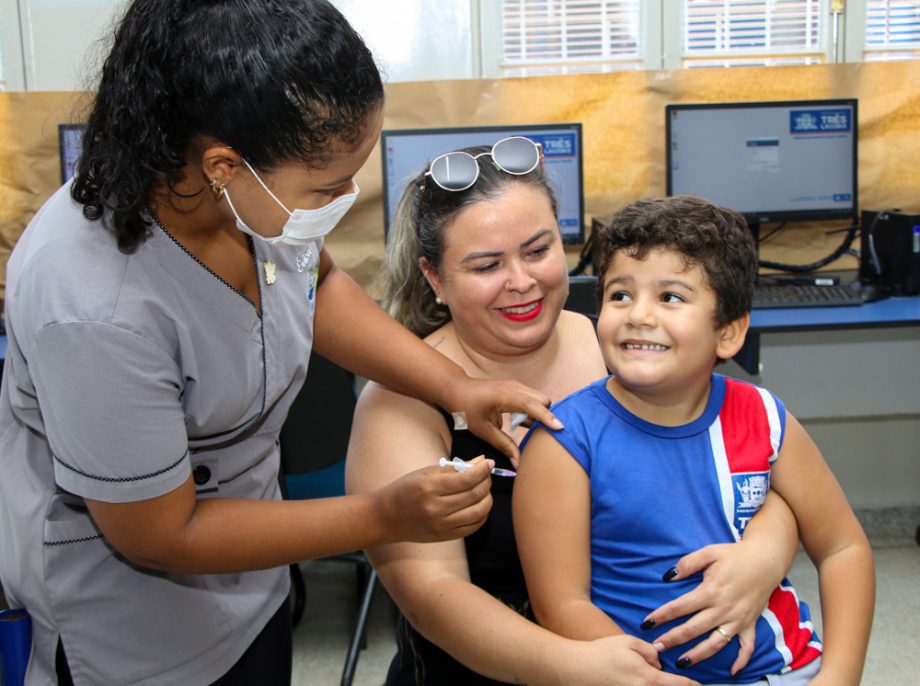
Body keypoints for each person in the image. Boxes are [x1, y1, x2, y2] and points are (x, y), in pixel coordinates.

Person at [0, 2, 563, 684]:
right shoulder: (94, 306)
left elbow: (315, 283)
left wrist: (456, 389)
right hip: (134, 636)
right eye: (327, 188)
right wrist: (382, 514)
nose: (348, 197)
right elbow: (160, 534)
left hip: (254, 585)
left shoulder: (244, 199)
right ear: (223, 166)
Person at [346, 145, 804, 685]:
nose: (521, 281)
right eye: (488, 265)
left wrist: (764, 556)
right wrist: (583, 667)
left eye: (538, 250)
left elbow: (760, 470)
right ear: (435, 278)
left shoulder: (625, 344)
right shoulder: (400, 404)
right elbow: (433, 597)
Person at [513, 195, 876, 685]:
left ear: (728, 334)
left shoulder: (765, 417)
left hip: (788, 669)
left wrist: (840, 677)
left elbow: (842, 548)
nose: (638, 314)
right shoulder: (563, 442)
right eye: (620, 295)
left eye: (671, 297)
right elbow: (561, 605)